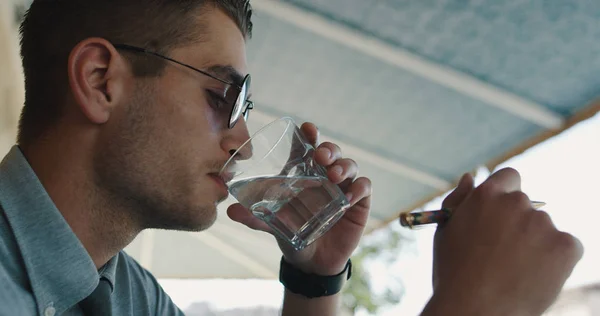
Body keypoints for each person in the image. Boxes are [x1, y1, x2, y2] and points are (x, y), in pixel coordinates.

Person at [0, 1, 582, 315]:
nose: (244, 143)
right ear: (101, 80)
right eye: (223, 97)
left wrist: (315, 278)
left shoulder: (126, 294)